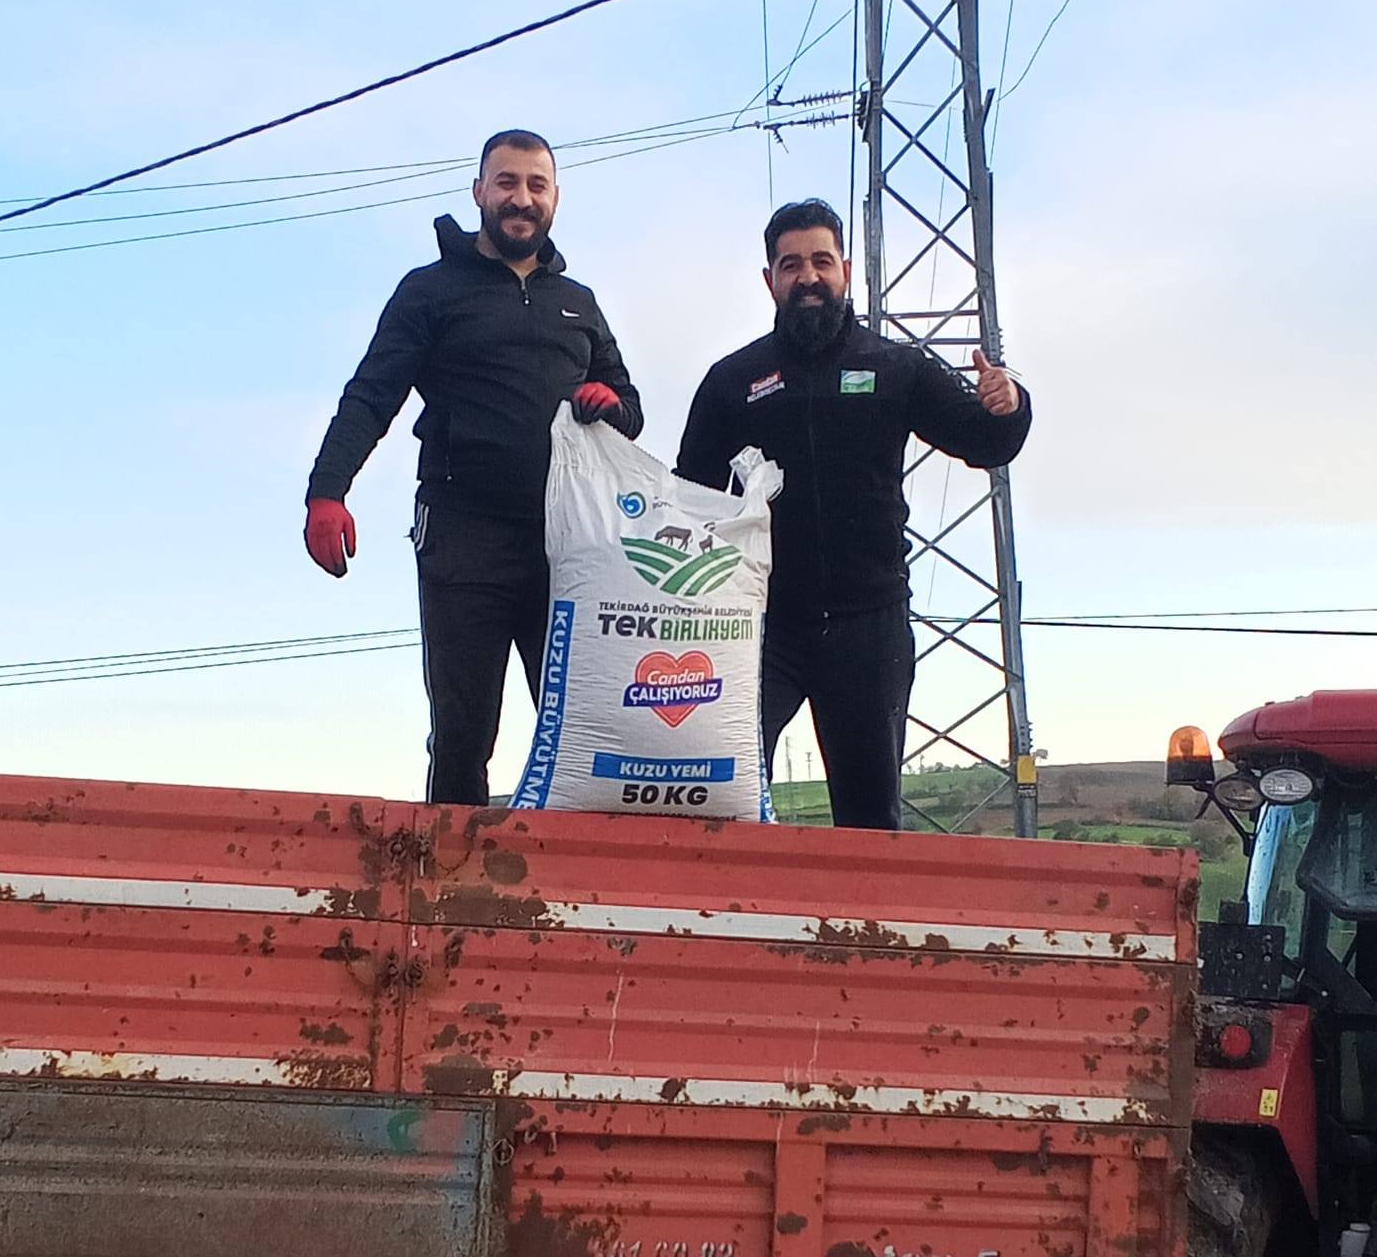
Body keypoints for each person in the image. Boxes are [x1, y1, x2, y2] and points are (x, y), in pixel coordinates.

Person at [304, 130, 643, 805]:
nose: (521, 198)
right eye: (507, 182)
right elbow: (371, 395)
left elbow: (628, 408)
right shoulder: (430, 291)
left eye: (536, 185)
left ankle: (574, 868)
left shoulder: (577, 302)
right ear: (480, 192)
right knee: (462, 735)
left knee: (580, 731)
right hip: (463, 539)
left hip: (568, 543)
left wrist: (612, 407)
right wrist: (327, 492)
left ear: (555, 199)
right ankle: (449, 869)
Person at [676, 198, 1031, 831]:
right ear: (769, 280)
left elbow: (987, 442)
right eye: (791, 265)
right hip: (759, 627)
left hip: (870, 626)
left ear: (845, 271)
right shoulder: (732, 380)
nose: (807, 277)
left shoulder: (895, 367)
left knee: (869, 822)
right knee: (719, 793)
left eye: (821, 261)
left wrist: (1010, 404)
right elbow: (688, 499)